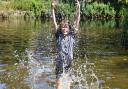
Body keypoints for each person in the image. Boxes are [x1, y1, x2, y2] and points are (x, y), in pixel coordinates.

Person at [51, 0, 80, 89]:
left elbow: (77, 20)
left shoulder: (72, 35)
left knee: (67, 86)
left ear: (69, 29)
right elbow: (53, 20)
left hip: (69, 63)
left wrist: (78, 7)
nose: (64, 29)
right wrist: (52, 8)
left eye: (66, 27)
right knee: (58, 86)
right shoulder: (58, 35)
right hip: (59, 63)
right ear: (60, 28)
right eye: (63, 27)